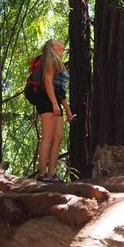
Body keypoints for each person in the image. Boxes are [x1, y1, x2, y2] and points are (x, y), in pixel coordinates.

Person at [35, 39, 73, 182]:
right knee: (47, 137)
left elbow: (60, 92)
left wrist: (67, 110)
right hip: (47, 101)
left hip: (55, 101)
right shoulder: (50, 60)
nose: (62, 44)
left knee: (58, 137)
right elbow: (48, 82)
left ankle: (52, 174)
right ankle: (42, 174)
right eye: (58, 42)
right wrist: (53, 104)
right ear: (53, 47)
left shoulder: (58, 63)